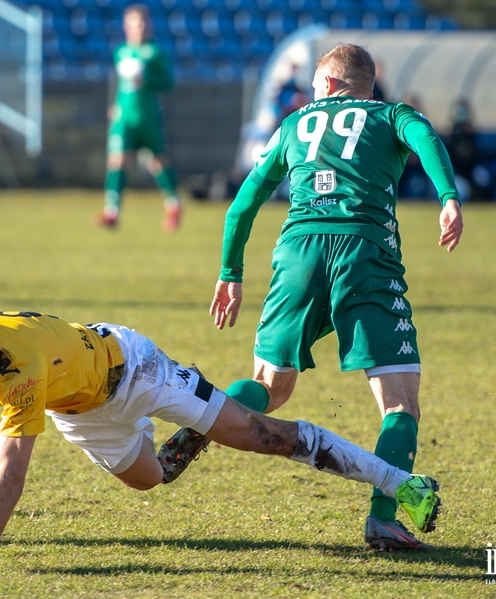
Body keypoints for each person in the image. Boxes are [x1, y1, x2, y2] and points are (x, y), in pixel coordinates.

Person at [0, 283, 442, 571]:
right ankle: (201, 426)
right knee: (152, 479)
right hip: (78, 409)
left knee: (263, 437)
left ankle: (400, 483)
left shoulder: (11, 363)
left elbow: (10, 473)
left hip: (133, 369)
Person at [157, 44, 462, 553]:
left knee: (270, 387)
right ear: (368, 85)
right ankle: (385, 519)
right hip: (364, 252)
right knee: (399, 403)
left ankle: (200, 423)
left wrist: (230, 273)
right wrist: (448, 197)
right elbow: (425, 136)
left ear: (326, 84)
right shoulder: (391, 115)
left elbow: (242, 205)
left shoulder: (295, 123)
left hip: (298, 252)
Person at [97, 4, 181, 232]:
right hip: (124, 116)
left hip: (148, 115)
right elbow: (123, 86)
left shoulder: (155, 52)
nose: (139, 27)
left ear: (149, 25)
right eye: (134, 23)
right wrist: (116, 105)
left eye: (142, 23)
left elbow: (168, 81)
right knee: (116, 159)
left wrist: (147, 80)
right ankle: (112, 211)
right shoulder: (121, 52)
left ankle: (174, 204)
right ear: (126, 26)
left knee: (156, 161)